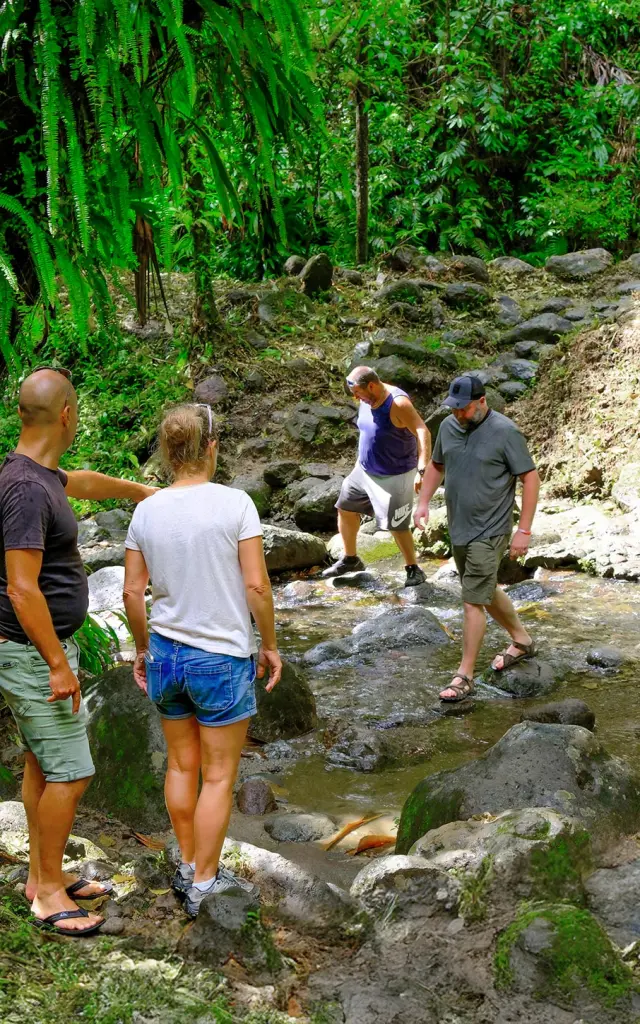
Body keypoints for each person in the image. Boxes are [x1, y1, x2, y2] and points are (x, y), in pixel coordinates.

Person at [0, 367, 156, 936]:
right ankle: (45, 894)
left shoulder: (38, 474)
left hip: (35, 651)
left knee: (42, 763)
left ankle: (44, 874)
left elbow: (80, 482)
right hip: (29, 653)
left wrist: (141, 493)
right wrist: (58, 664)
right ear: (67, 414)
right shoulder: (23, 489)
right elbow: (22, 588)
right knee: (71, 773)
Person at [123, 403, 282, 919]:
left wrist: (143, 648)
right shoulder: (235, 504)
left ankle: (189, 862)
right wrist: (269, 644)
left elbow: (132, 593)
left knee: (180, 765)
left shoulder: (147, 510)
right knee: (216, 777)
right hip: (220, 657)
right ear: (211, 447)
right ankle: (205, 883)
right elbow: (257, 586)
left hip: (166, 655)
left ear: (168, 453)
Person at [414, 374, 540, 702]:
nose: (459, 414)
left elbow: (530, 478)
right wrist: (423, 502)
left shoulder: (505, 432)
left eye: (465, 408)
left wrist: (523, 530)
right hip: (459, 526)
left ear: (482, 401)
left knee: (471, 599)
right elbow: (437, 466)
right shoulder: (448, 426)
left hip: (491, 528)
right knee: (483, 589)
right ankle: (523, 640)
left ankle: (464, 676)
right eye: (454, 408)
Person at [323, 366, 430, 587]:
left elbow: (422, 431)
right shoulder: (367, 397)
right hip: (363, 470)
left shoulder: (398, 403)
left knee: (397, 525)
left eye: (358, 393)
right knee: (345, 508)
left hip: (395, 474)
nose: (355, 398)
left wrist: (422, 469)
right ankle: (350, 559)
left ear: (371, 385)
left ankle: (414, 569)